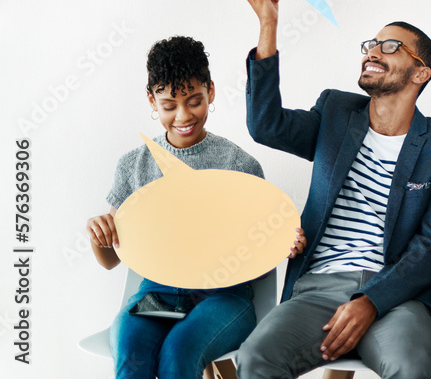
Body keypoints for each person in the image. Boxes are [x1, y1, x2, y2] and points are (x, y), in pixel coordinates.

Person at [237, 0, 431, 379]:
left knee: (411, 368)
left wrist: (371, 300)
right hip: (317, 287)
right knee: (256, 357)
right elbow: (266, 125)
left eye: (391, 46)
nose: (373, 51)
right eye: (371, 44)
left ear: (420, 73)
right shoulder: (334, 113)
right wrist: (268, 25)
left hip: (398, 296)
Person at [86, 36, 285, 379]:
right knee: (132, 352)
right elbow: (111, 261)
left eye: (195, 101)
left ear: (211, 90)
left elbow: (261, 255)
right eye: (168, 105)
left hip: (223, 296)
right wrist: (98, 235)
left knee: (180, 351)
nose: (183, 116)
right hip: (159, 292)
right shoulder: (134, 165)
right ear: (152, 100)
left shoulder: (239, 164)